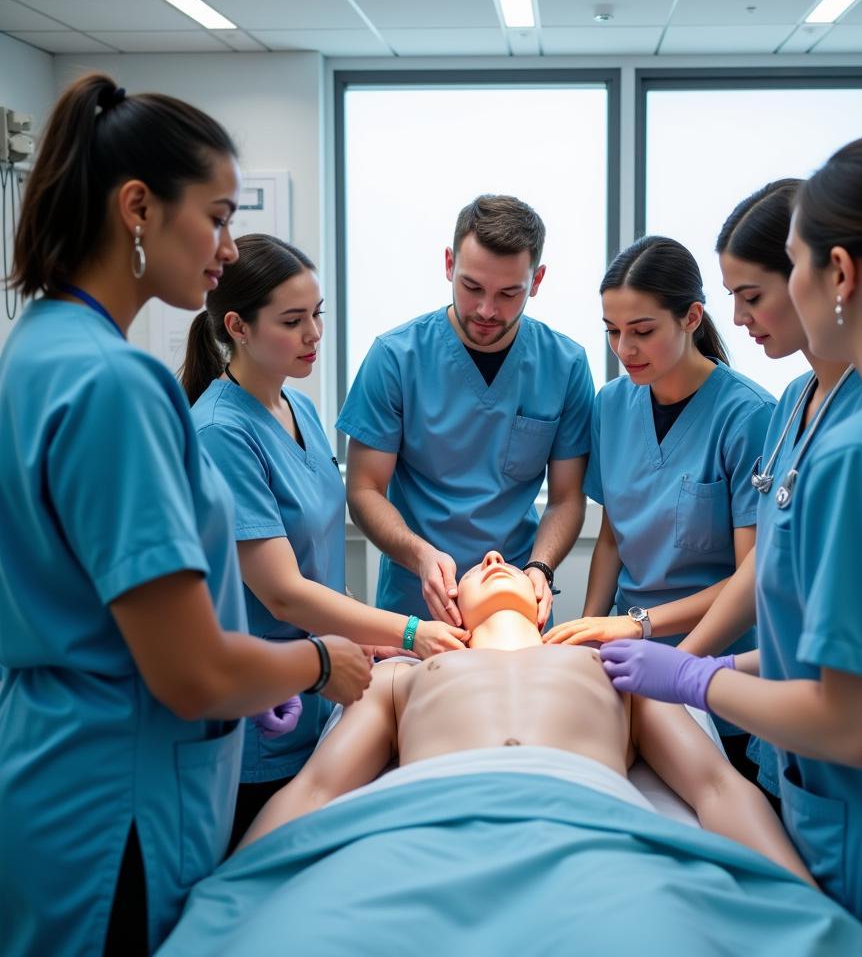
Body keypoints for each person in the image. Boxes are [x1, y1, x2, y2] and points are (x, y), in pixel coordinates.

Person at [598, 131, 862, 953]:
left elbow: (861, 725)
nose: (752, 310)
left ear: (841, 275)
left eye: (787, 269)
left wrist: (692, 676)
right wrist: (727, 667)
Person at [0, 74, 371, 957]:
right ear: (138, 208)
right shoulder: (119, 386)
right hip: (117, 804)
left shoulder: (37, 349)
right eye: (215, 216)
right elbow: (192, 673)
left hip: (52, 769)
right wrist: (319, 665)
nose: (225, 247)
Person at [238, 550, 812, 889]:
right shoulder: (396, 676)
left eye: (507, 562)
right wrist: (229, 886)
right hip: (430, 833)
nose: (492, 559)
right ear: (448, 608)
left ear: (544, 604)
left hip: (590, 839)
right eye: (478, 565)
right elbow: (315, 790)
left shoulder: (618, 666)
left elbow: (716, 788)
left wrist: (800, 897)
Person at [180, 234, 469, 847]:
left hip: (320, 691)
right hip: (259, 710)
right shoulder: (220, 434)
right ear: (237, 326)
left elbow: (318, 566)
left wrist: (371, 641)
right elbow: (283, 594)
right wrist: (407, 631)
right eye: (292, 320)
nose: (314, 334)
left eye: (317, 315)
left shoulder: (299, 410)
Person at [544, 235, 774, 775]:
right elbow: (613, 537)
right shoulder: (612, 405)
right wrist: (590, 629)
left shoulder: (748, 416)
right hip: (633, 661)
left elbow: (752, 577)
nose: (624, 349)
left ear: (692, 317)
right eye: (612, 332)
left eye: (642, 331)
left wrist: (659, 644)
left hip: (720, 667)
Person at [674, 180, 862, 802]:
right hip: (784, 738)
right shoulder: (790, 404)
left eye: (751, 295)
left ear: (824, 274)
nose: (737, 319)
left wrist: (691, 673)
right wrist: (691, 667)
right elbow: (766, 561)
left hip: (843, 740)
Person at [338, 195, 594, 629]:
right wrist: (420, 555)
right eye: (472, 287)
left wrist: (541, 568)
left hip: (516, 600)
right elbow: (364, 490)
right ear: (448, 265)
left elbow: (567, 498)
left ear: (537, 280)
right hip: (416, 602)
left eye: (509, 293)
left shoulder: (564, 365)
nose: (486, 310)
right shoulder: (395, 358)